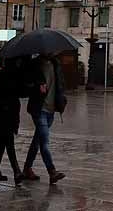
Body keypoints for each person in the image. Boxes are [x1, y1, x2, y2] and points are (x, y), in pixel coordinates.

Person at [21, 54, 67, 184]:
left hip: (51, 109)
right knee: (44, 142)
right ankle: (52, 171)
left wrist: (61, 100)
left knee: (37, 141)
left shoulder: (56, 64)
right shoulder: (34, 65)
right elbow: (26, 84)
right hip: (39, 108)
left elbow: (61, 85)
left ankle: (27, 168)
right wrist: (37, 85)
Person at [0, 60, 26, 185]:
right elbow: (22, 93)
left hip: (5, 112)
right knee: (8, 141)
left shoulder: (4, 74)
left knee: (4, 142)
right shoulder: (11, 75)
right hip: (8, 113)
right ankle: (16, 171)